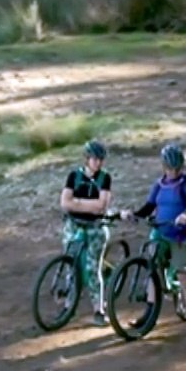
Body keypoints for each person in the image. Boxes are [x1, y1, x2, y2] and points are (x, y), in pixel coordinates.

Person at [121, 143, 186, 336]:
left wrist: (185, 215)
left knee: (184, 277)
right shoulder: (159, 185)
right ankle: (149, 313)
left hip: (179, 235)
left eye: (176, 168)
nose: (172, 172)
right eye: (169, 168)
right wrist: (134, 215)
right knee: (152, 270)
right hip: (159, 232)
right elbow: (149, 207)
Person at [60, 140, 114, 327]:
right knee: (70, 267)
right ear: (87, 159)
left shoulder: (105, 178)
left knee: (92, 269)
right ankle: (69, 306)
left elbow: (101, 207)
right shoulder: (74, 176)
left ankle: (99, 310)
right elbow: (64, 203)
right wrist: (88, 205)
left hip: (95, 228)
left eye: (100, 159)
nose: (98, 163)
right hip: (74, 226)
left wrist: (77, 203)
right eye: (94, 159)